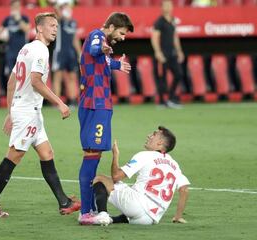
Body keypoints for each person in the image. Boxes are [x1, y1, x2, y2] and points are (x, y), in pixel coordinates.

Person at [0, 12, 80, 218]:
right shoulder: (41, 50)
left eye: (56, 26)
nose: (55, 29)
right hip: (27, 112)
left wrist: (10, 111)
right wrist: (60, 103)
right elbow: (35, 81)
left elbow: (11, 82)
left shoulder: (26, 49)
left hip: (28, 111)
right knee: (14, 155)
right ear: (40, 28)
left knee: (47, 154)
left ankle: (64, 201)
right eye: (51, 25)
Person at [78, 12, 134, 224]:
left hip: (97, 104)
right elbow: (95, 48)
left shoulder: (103, 43)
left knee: (94, 154)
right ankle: (86, 213)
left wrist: (117, 64)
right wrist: (102, 48)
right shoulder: (97, 36)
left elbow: (100, 59)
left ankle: (89, 209)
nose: (123, 37)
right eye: (121, 32)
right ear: (110, 27)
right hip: (96, 104)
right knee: (92, 154)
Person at [81, 126, 190, 226]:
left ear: (160, 142)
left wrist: (115, 155)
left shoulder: (145, 155)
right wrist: (178, 216)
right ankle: (115, 219)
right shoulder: (174, 165)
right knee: (133, 190)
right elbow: (184, 189)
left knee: (100, 178)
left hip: (136, 206)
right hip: (150, 219)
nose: (149, 136)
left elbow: (116, 176)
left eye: (154, 134)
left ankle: (102, 214)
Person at [151, 0, 184, 108]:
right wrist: (158, 52)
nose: (168, 7)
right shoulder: (159, 22)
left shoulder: (173, 20)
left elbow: (175, 37)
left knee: (179, 74)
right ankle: (161, 102)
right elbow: (154, 38)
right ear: (162, 8)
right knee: (162, 78)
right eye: (166, 5)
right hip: (163, 54)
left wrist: (179, 51)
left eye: (170, 5)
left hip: (172, 54)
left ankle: (171, 97)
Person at [52, 0, 82, 107]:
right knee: (58, 77)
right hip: (60, 52)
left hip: (71, 53)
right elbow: (56, 13)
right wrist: (58, 6)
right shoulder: (58, 21)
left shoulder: (73, 22)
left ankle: (73, 100)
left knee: (72, 77)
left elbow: (75, 39)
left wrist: (79, 53)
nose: (67, 9)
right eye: (65, 7)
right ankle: (56, 102)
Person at [0, 0, 30, 96]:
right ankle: (13, 95)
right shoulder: (7, 20)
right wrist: (3, 36)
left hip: (22, 51)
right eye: (14, 7)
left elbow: (27, 29)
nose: (15, 9)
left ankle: (23, 94)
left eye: (17, 7)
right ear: (11, 8)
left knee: (24, 73)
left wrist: (18, 19)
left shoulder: (24, 18)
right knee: (11, 74)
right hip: (10, 51)